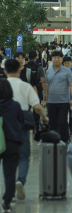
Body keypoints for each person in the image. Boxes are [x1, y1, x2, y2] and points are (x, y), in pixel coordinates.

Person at [5, 59, 49, 201]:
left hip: (4, 125)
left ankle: (9, 192)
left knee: (7, 158)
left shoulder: (2, 85)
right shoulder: (25, 86)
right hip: (22, 122)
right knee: (23, 155)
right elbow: (36, 106)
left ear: (5, 71)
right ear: (19, 70)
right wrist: (44, 117)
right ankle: (21, 180)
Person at [0, 79, 24, 213]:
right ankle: (7, 203)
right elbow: (21, 122)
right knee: (10, 174)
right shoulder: (15, 105)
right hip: (12, 142)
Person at [46, 51, 72, 143]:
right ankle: (55, 139)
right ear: (51, 59)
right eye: (54, 57)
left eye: (58, 58)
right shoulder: (48, 71)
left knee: (62, 121)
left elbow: (71, 85)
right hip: (51, 101)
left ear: (62, 59)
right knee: (52, 123)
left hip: (64, 101)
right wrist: (46, 98)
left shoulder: (67, 71)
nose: (56, 59)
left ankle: (65, 139)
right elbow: (47, 85)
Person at [25, 50, 47, 134]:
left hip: (26, 92)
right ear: (36, 57)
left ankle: (26, 126)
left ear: (28, 57)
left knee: (26, 109)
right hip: (36, 91)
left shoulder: (24, 67)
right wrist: (46, 93)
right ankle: (36, 128)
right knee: (36, 110)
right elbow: (43, 81)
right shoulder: (39, 67)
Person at [62, 56, 72, 135]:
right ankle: (66, 127)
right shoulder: (61, 71)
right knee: (63, 114)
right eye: (65, 63)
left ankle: (71, 128)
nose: (67, 64)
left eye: (68, 62)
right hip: (63, 96)